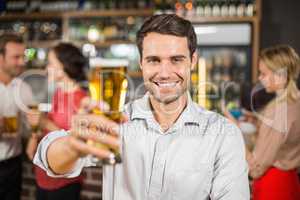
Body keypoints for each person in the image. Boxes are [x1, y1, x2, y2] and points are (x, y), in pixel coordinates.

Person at [33, 14, 250, 200]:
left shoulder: (223, 134)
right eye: (154, 60)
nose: (164, 72)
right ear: (141, 63)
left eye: (176, 60)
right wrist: (72, 146)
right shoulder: (115, 121)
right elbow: (48, 158)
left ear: (192, 61)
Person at [26, 43, 88, 200]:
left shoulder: (81, 100)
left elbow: (77, 143)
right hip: (45, 175)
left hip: (64, 180)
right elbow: (49, 128)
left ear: (63, 66)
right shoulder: (59, 93)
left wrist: (45, 122)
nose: (46, 68)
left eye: (50, 63)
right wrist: (34, 134)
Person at [246, 45, 300, 200]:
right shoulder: (296, 101)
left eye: (263, 73)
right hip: (291, 183)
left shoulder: (277, 110)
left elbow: (256, 168)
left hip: (273, 187)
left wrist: (234, 132)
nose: (259, 78)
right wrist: (258, 121)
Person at [0, 33, 33, 200]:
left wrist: (36, 127)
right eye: (16, 57)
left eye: (23, 56)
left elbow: (32, 126)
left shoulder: (23, 88)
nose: (22, 62)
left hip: (13, 164)